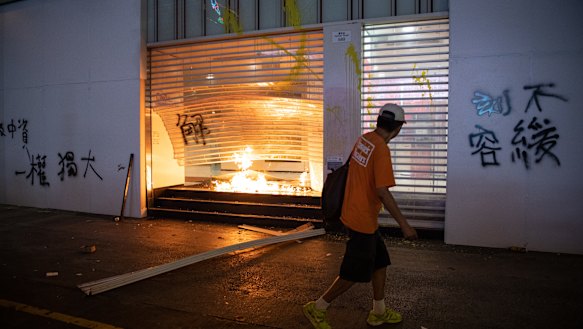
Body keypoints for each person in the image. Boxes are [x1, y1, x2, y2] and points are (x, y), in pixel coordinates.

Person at [303, 103, 418, 329]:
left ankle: (379, 312)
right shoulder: (382, 150)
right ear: (397, 128)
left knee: (380, 261)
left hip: (357, 213)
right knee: (353, 273)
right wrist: (404, 225)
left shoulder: (364, 139)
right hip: (361, 220)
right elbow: (382, 191)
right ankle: (317, 308)